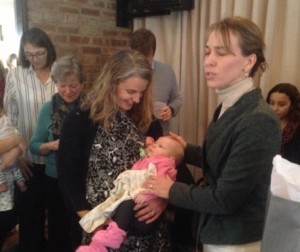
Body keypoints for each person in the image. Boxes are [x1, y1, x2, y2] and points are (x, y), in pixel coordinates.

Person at [144, 16, 281, 252]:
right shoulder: (229, 106)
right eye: (208, 52)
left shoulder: (259, 119)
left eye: (221, 53)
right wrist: (185, 151)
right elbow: (223, 159)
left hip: (236, 241)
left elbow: (224, 198)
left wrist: (169, 189)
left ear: (249, 62)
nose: (209, 61)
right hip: (215, 232)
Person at [57, 49, 172, 251]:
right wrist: (92, 221)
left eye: (142, 92)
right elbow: (68, 178)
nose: (137, 99)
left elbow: (166, 169)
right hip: (101, 230)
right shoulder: (80, 119)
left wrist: (161, 201)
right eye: (130, 92)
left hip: (146, 232)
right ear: (112, 83)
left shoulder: (148, 122)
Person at [76, 136, 184, 252]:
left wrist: (147, 196)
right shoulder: (150, 159)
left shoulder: (165, 165)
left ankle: (103, 245)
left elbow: (161, 185)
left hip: (143, 212)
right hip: (133, 216)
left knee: (127, 202)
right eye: (156, 142)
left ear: (171, 158)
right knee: (122, 209)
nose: (154, 145)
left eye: (160, 146)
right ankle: (102, 244)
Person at [4, 27, 57, 252]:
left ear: (49, 50)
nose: (34, 59)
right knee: (30, 217)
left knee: (56, 216)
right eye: (29, 54)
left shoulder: (60, 72)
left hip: (56, 159)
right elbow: (10, 118)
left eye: (39, 53)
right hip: (28, 160)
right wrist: (19, 152)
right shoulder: (16, 75)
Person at [29, 55, 85, 252]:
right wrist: (53, 145)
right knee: (58, 229)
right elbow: (34, 146)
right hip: (55, 179)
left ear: (82, 83)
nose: (67, 91)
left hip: (83, 178)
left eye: (73, 85)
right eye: (62, 86)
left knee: (81, 227)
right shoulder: (48, 109)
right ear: (56, 83)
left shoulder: (90, 108)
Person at [130, 28, 183, 135]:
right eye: (138, 61)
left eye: (146, 61)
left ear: (153, 54)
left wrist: (171, 109)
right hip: (131, 134)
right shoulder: (124, 73)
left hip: (160, 136)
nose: (142, 66)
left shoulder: (167, 71)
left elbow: (177, 98)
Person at [0, 113, 26, 251]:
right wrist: (13, 142)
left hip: (7, 194)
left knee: (5, 222)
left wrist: (15, 146)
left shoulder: (5, 120)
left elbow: (21, 142)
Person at [266, 83, 300, 165]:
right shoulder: (264, 123)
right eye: (271, 103)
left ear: (292, 105)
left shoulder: (297, 128)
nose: (275, 108)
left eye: (281, 104)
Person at [0, 112, 27, 193]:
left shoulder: (5, 119)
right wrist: (15, 140)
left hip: (9, 183)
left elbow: (18, 150)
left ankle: (19, 181)